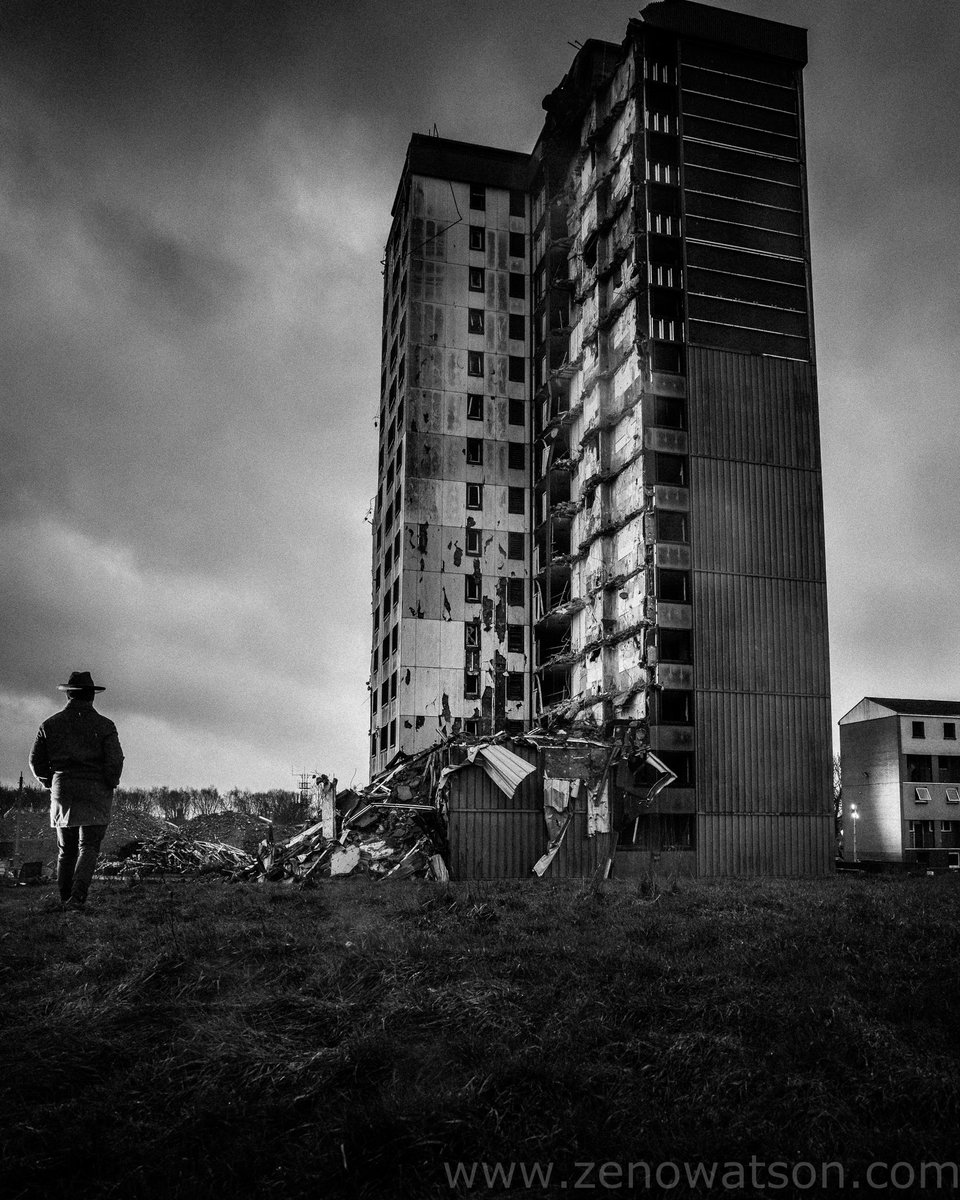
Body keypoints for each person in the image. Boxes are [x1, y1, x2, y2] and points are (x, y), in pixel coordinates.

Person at [29, 670, 124, 911]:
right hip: (95, 792)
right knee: (88, 847)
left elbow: (35, 761)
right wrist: (108, 783)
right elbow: (115, 761)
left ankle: (64, 899)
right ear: (92, 696)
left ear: (69, 694)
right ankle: (77, 899)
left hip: (64, 790)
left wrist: (51, 782)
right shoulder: (105, 726)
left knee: (66, 849)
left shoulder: (49, 725)